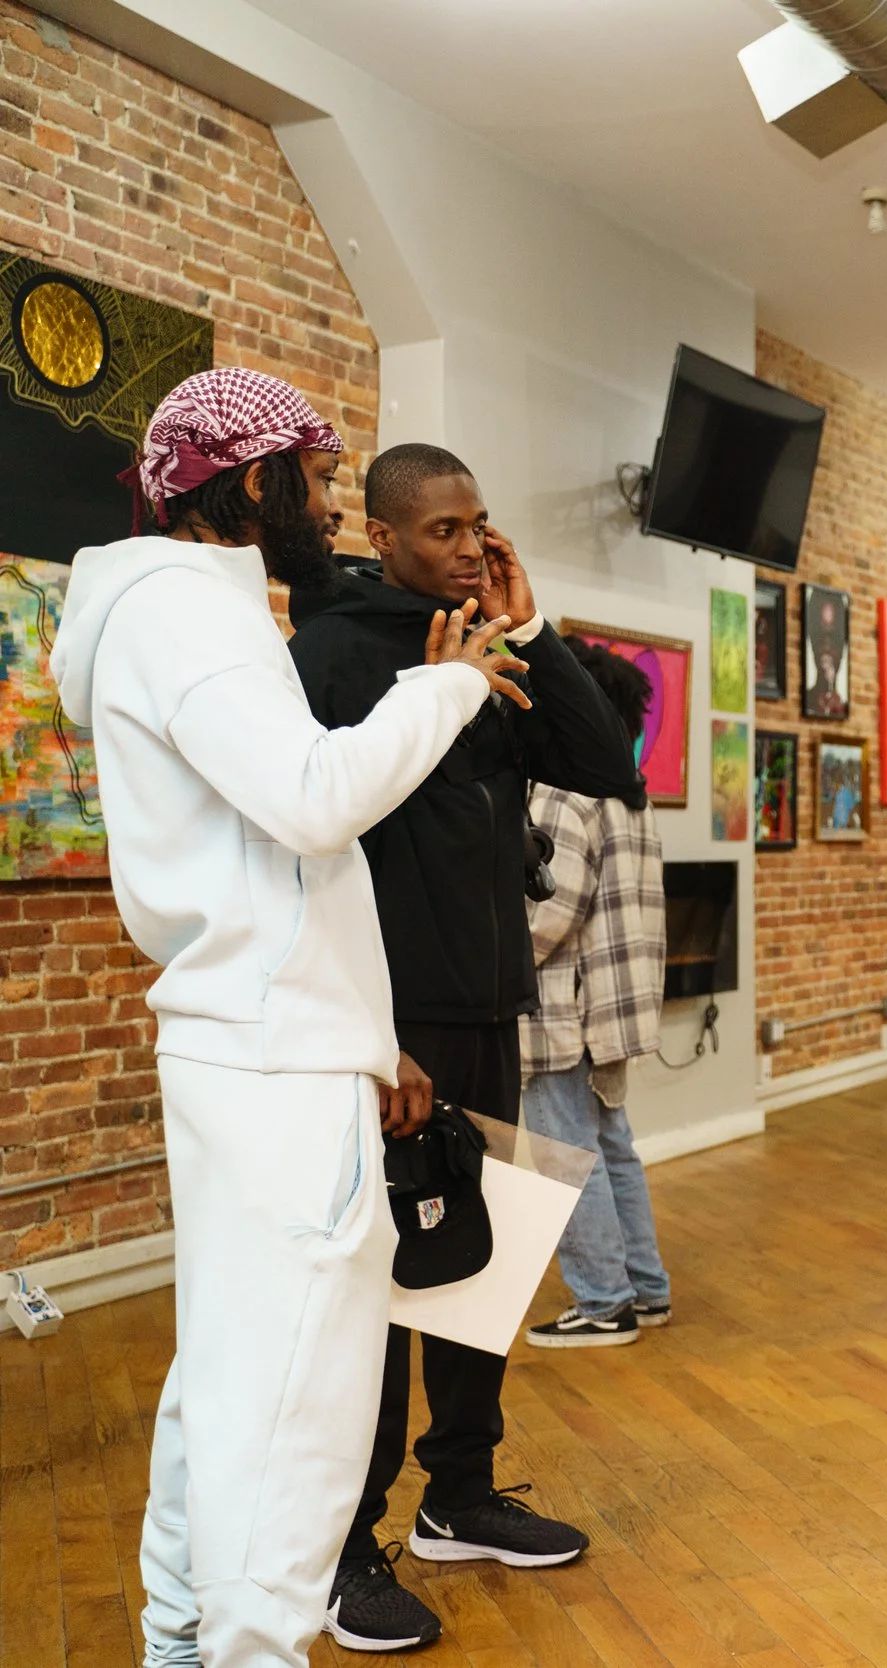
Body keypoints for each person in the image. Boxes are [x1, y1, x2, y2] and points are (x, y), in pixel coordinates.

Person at [50, 368, 525, 1668]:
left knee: (225, 1399)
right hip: (271, 1073)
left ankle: (179, 1647)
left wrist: (366, 1042)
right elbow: (316, 804)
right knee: (295, 1441)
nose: (322, 502)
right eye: (311, 478)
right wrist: (453, 685)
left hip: (261, 1051)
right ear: (253, 484)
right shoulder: (189, 621)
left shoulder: (179, 615)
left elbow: (284, 867)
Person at [288, 442, 643, 1652]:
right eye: (441, 531)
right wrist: (371, 1037)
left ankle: (460, 1497)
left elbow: (608, 771)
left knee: (485, 1275)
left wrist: (531, 632)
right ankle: (345, 1547)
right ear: (383, 536)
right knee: (381, 1301)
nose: (465, 549)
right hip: (397, 1028)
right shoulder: (335, 652)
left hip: (497, 1012)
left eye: (477, 526)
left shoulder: (485, 638)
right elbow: (307, 850)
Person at [519, 636, 672, 1347]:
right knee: (612, 1146)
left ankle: (604, 1301)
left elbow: (550, 911)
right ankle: (645, 1290)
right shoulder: (630, 796)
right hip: (614, 1009)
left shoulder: (562, 791)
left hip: (563, 1011)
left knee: (560, 1155)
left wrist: (489, 954)